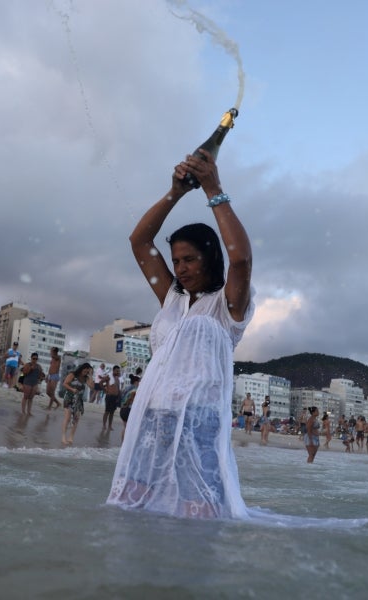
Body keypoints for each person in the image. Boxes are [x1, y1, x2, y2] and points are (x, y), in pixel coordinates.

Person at [106, 149, 254, 519]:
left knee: (198, 509)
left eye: (189, 259)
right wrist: (176, 192)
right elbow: (139, 242)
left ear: (209, 257)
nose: (180, 268)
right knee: (131, 501)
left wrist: (212, 188)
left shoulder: (227, 306)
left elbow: (241, 260)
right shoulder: (172, 298)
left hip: (199, 421)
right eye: (176, 261)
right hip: (154, 415)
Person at [60, 362, 94, 445]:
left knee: (76, 419)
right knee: (67, 418)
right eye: (85, 371)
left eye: (88, 371)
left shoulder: (86, 378)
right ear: (82, 369)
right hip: (69, 397)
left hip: (78, 400)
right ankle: (63, 437)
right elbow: (65, 383)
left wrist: (90, 376)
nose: (86, 373)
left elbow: (92, 387)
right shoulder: (73, 374)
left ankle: (71, 437)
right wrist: (72, 389)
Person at [119, 370, 141, 443]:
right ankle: (125, 444)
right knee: (128, 429)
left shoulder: (126, 388)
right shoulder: (135, 389)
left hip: (122, 410)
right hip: (128, 409)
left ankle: (122, 444)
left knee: (125, 428)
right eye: (139, 381)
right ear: (136, 382)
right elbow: (131, 398)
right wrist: (127, 404)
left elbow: (122, 396)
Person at [103, 365, 122, 431]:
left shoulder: (118, 379)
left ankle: (110, 426)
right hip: (109, 396)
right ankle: (104, 425)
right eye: (117, 371)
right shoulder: (109, 376)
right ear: (113, 370)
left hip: (115, 397)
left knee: (112, 412)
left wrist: (119, 397)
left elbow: (118, 389)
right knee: (107, 411)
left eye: (118, 371)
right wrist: (105, 390)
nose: (118, 372)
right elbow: (101, 383)